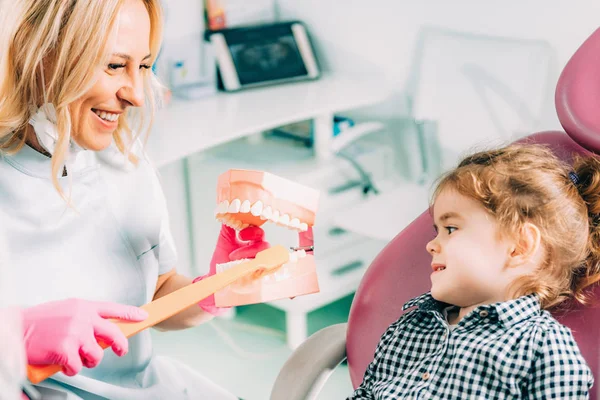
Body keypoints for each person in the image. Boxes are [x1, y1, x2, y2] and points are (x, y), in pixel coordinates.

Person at [0, 0, 268, 398]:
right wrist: (14, 335)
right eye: (113, 65)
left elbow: (157, 296)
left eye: (142, 67)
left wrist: (215, 289)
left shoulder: (125, 163)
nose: (137, 95)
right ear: (38, 54)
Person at [348, 144, 597, 399]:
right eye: (437, 231)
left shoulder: (543, 348)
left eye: (451, 229)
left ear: (519, 246)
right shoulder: (410, 327)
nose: (431, 245)